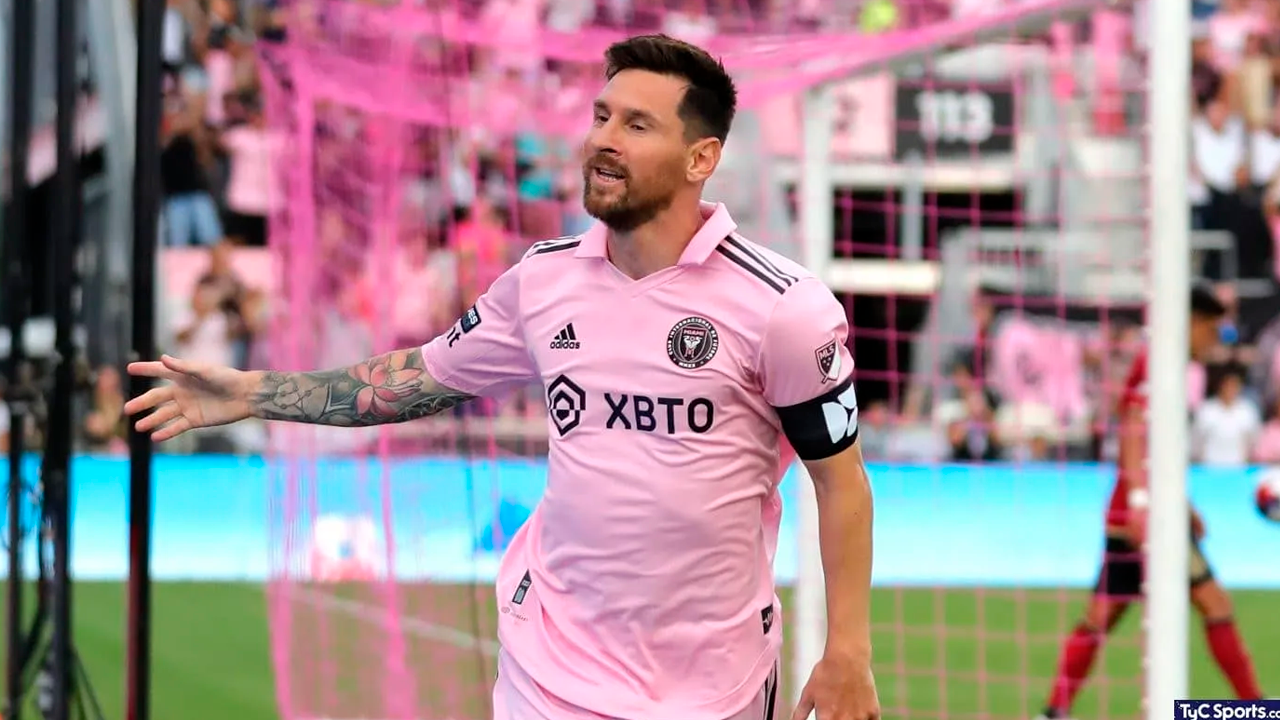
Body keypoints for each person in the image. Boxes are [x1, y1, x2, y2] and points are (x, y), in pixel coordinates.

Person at [125, 35, 881, 720]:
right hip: (546, 670)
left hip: (714, 685)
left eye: (636, 125)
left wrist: (847, 649)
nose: (603, 139)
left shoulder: (782, 308)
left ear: (700, 159)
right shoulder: (542, 281)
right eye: (601, 116)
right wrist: (252, 393)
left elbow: (840, 480)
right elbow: (416, 377)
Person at [1036, 285, 1264, 720]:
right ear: (1192, 322)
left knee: (1101, 615)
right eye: (1212, 330)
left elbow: (1158, 447)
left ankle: (1053, 712)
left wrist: (1182, 505)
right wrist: (1143, 502)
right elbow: (1134, 429)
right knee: (1214, 605)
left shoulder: (1167, 364)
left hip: (1136, 512)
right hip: (1147, 518)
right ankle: (1255, 709)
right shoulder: (1160, 365)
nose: (1213, 341)